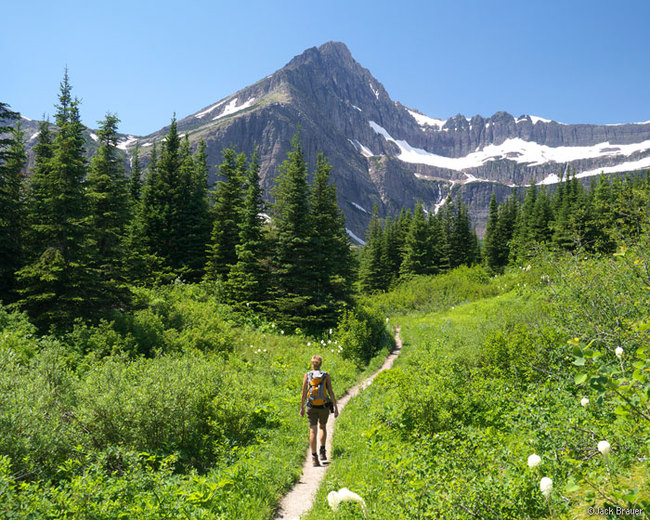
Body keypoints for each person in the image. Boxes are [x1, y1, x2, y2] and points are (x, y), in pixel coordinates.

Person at [300, 354, 339, 466]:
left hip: (311, 406)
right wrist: (335, 408)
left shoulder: (307, 375)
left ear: (312, 364)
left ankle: (314, 458)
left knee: (312, 430)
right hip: (323, 406)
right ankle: (322, 452)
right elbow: (330, 392)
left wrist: (301, 408)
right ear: (320, 364)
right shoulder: (326, 375)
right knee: (322, 427)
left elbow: (303, 393)